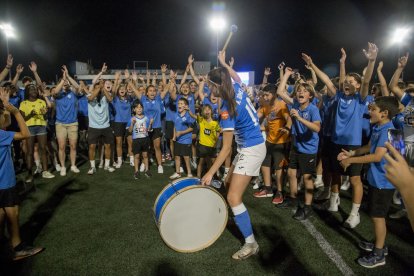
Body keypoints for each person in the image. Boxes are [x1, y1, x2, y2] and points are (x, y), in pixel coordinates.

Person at [302, 42, 378, 228]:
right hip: (335, 141)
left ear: (358, 86)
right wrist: (312, 65)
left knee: (354, 179)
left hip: (352, 145)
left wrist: (371, 61)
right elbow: (326, 80)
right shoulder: (338, 96)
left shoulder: (361, 99)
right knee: (335, 174)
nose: (347, 83)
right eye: (346, 81)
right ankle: (334, 201)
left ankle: (354, 213)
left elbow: (367, 81)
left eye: (352, 82)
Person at [201, 51, 266, 260]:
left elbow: (226, 149)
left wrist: (210, 173)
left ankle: (251, 244)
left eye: (210, 84)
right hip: (251, 145)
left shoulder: (228, 110)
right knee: (229, 186)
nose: (208, 87)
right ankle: (236, 217)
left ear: (217, 86)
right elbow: (236, 77)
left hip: (252, 149)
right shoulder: (236, 88)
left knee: (233, 196)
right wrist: (223, 64)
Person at [338, 96, 399, 268]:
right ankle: (380, 245)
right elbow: (370, 147)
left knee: (377, 217)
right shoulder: (381, 127)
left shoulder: (389, 130)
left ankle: (379, 254)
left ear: (384, 113)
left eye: (373, 109)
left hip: (383, 182)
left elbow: (377, 156)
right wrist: (352, 153)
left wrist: (350, 162)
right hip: (378, 179)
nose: (369, 111)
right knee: (376, 216)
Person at [0, 87, 44, 261]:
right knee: (13, 214)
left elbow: (6, 122)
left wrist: (5, 104)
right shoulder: (2, 136)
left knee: (1, 213)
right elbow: (25, 134)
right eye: (2, 112)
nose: (5, 114)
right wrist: (16, 112)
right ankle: (17, 248)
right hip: (5, 182)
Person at [277, 68, 321, 219]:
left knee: (307, 178)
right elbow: (280, 92)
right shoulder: (295, 103)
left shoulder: (313, 109)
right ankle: (293, 199)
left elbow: (316, 128)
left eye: (304, 91)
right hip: (296, 145)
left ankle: (308, 207)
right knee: (291, 173)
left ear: (310, 95)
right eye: (298, 90)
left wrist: (300, 118)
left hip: (308, 149)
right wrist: (287, 75)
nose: (300, 92)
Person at [253, 83, 291, 205]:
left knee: (279, 167)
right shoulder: (265, 105)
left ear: (274, 95)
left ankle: (280, 192)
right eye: (263, 95)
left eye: (267, 95)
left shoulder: (281, 104)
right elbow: (256, 116)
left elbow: (289, 118)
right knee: (265, 163)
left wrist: (287, 127)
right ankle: (268, 188)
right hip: (269, 140)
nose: (265, 97)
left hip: (281, 141)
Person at [86, 63, 116, 175]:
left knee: (108, 146)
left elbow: (110, 99)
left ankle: (107, 166)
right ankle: (92, 167)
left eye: (101, 84)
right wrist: (99, 85)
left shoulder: (105, 94)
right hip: (94, 126)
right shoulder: (90, 94)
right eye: (98, 84)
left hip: (106, 125)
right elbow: (92, 97)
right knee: (92, 146)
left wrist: (103, 88)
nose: (100, 85)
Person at [53, 65, 81, 176]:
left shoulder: (73, 93)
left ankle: (73, 165)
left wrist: (68, 76)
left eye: (66, 82)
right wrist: (63, 80)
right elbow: (54, 91)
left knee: (73, 146)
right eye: (63, 82)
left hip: (73, 123)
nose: (65, 83)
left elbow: (78, 87)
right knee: (61, 146)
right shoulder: (58, 94)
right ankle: (63, 166)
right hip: (60, 124)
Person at [169, 98, 195, 179]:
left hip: (186, 139)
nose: (179, 105)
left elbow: (191, 128)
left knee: (186, 157)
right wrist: (174, 136)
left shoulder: (188, 116)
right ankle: (178, 172)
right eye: (178, 103)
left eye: (181, 103)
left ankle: (189, 173)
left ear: (186, 106)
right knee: (177, 156)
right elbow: (175, 126)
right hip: (178, 139)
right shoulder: (176, 114)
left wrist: (181, 133)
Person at [127, 101, 153, 179]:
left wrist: (151, 123)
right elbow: (130, 131)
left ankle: (147, 170)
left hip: (145, 139)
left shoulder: (146, 118)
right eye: (137, 108)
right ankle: (136, 171)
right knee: (137, 156)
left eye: (140, 107)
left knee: (145, 155)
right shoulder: (132, 119)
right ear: (134, 109)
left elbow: (149, 129)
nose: (139, 109)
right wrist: (132, 123)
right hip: (136, 140)